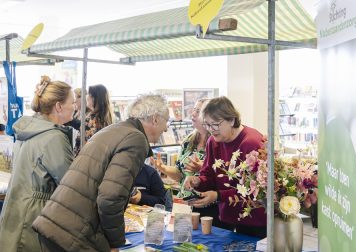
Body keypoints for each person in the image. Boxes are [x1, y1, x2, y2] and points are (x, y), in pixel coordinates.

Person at [32, 94, 170, 252]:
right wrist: (115, 242)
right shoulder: (136, 139)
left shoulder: (114, 130)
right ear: (155, 119)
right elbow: (111, 198)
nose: (166, 128)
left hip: (60, 226)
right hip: (76, 234)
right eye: (166, 120)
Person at [0, 75, 75, 251]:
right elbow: (71, 185)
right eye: (72, 102)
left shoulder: (28, 131)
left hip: (15, 217)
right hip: (34, 224)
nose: (75, 106)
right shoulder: (54, 137)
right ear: (58, 106)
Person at [184, 96, 267, 238]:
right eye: (207, 125)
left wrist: (217, 195)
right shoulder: (213, 141)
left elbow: (255, 190)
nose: (211, 130)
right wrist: (198, 181)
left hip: (253, 218)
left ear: (232, 120)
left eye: (215, 124)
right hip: (227, 215)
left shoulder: (251, 142)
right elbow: (209, 174)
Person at [151, 98, 221, 224]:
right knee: (181, 240)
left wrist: (203, 169)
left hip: (208, 207)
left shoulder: (218, 142)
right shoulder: (189, 140)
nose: (193, 114)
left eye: (198, 111)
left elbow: (224, 177)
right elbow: (180, 175)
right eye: (194, 110)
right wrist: (163, 168)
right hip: (185, 204)